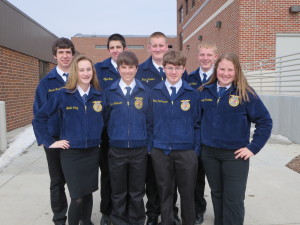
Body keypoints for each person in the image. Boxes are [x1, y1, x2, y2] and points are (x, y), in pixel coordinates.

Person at [199, 53, 273, 225]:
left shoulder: (245, 93)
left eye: (230, 70)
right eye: (222, 69)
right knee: (217, 194)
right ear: (216, 69)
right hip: (209, 154)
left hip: (235, 156)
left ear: (237, 71)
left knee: (233, 198)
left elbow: (265, 121)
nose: (225, 73)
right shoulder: (204, 92)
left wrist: (253, 147)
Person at [33, 55, 105, 225]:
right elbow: (39, 118)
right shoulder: (63, 94)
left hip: (92, 151)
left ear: (93, 72)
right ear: (75, 72)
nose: (86, 73)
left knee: (88, 193)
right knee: (77, 197)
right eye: (82, 70)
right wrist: (50, 141)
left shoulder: (100, 96)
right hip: (71, 153)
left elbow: (108, 121)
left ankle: (86, 222)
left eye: (89, 69)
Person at [136, 31, 183, 225]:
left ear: (167, 46)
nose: (157, 49)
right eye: (154, 45)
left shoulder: (177, 68)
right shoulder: (141, 70)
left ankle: (172, 212)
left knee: (170, 180)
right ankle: (153, 213)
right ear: (149, 48)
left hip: (172, 135)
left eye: (161, 45)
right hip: (151, 134)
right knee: (152, 180)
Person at [148, 50, 200, 225]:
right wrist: (151, 148)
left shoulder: (192, 94)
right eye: (170, 68)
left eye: (178, 68)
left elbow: (197, 124)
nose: (173, 72)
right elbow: (149, 123)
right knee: (165, 192)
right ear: (164, 69)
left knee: (187, 194)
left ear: (183, 69)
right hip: (161, 151)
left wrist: (195, 151)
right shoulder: (154, 93)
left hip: (186, 152)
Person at [33, 37, 75, 225]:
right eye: (61, 52)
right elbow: (38, 115)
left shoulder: (80, 78)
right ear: (54, 56)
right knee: (57, 182)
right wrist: (48, 141)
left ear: (73, 55)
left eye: (68, 52)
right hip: (54, 138)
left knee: (77, 182)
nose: (65, 56)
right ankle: (59, 219)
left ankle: (79, 217)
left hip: (76, 139)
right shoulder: (46, 82)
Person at [105, 51, 150, 225]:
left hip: (139, 150)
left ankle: (137, 221)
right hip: (117, 150)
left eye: (131, 67)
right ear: (118, 69)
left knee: (137, 191)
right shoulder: (110, 92)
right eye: (124, 67)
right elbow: (105, 119)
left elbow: (150, 120)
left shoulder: (145, 91)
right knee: (118, 191)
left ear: (137, 69)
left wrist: (147, 144)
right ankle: (118, 221)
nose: (127, 71)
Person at [94, 33, 127, 225]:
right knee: (107, 173)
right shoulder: (99, 69)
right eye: (112, 48)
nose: (115, 50)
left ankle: (127, 209)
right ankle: (107, 211)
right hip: (106, 133)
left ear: (124, 49)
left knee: (126, 175)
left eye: (118, 47)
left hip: (125, 130)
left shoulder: (130, 68)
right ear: (108, 50)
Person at [187, 40, 218, 224]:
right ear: (198, 56)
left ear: (215, 57)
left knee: (216, 182)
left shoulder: (222, 77)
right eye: (202, 55)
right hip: (195, 138)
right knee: (196, 180)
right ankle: (199, 210)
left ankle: (220, 212)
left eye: (209, 55)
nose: (205, 58)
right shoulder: (190, 78)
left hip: (215, 137)